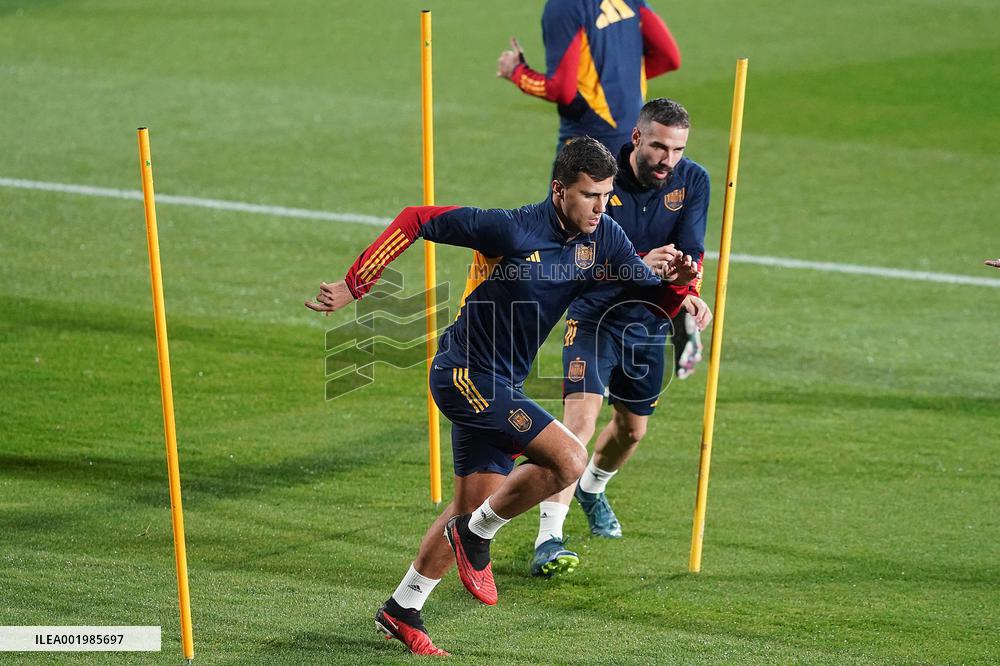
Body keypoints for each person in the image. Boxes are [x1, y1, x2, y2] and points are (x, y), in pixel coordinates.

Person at [305, 138, 698, 656]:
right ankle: (476, 534)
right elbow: (416, 217)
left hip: (501, 386)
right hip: (464, 374)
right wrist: (358, 283)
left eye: (606, 195)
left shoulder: (604, 237)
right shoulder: (511, 228)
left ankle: (402, 608)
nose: (601, 207)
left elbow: (646, 289)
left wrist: (682, 290)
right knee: (569, 460)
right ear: (559, 191)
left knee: (468, 507)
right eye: (589, 195)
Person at [530, 98, 713, 577]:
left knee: (632, 431)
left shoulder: (693, 181)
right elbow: (573, 250)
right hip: (594, 316)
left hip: (651, 321)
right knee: (580, 424)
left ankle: (593, 487)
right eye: (658, 146)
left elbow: (690, 254)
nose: (667, 159)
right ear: (637, 138)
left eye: (676, 149)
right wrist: (638, 263)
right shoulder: (600, 175)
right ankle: (549, 536)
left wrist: (688, 287)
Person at [496, 0, 681, 156]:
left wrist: (517, 72)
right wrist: (619, 78)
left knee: (565, 199)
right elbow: (669, 58)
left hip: (590, 144)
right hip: (638, 137)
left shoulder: (564, 6)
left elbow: (561, 90)